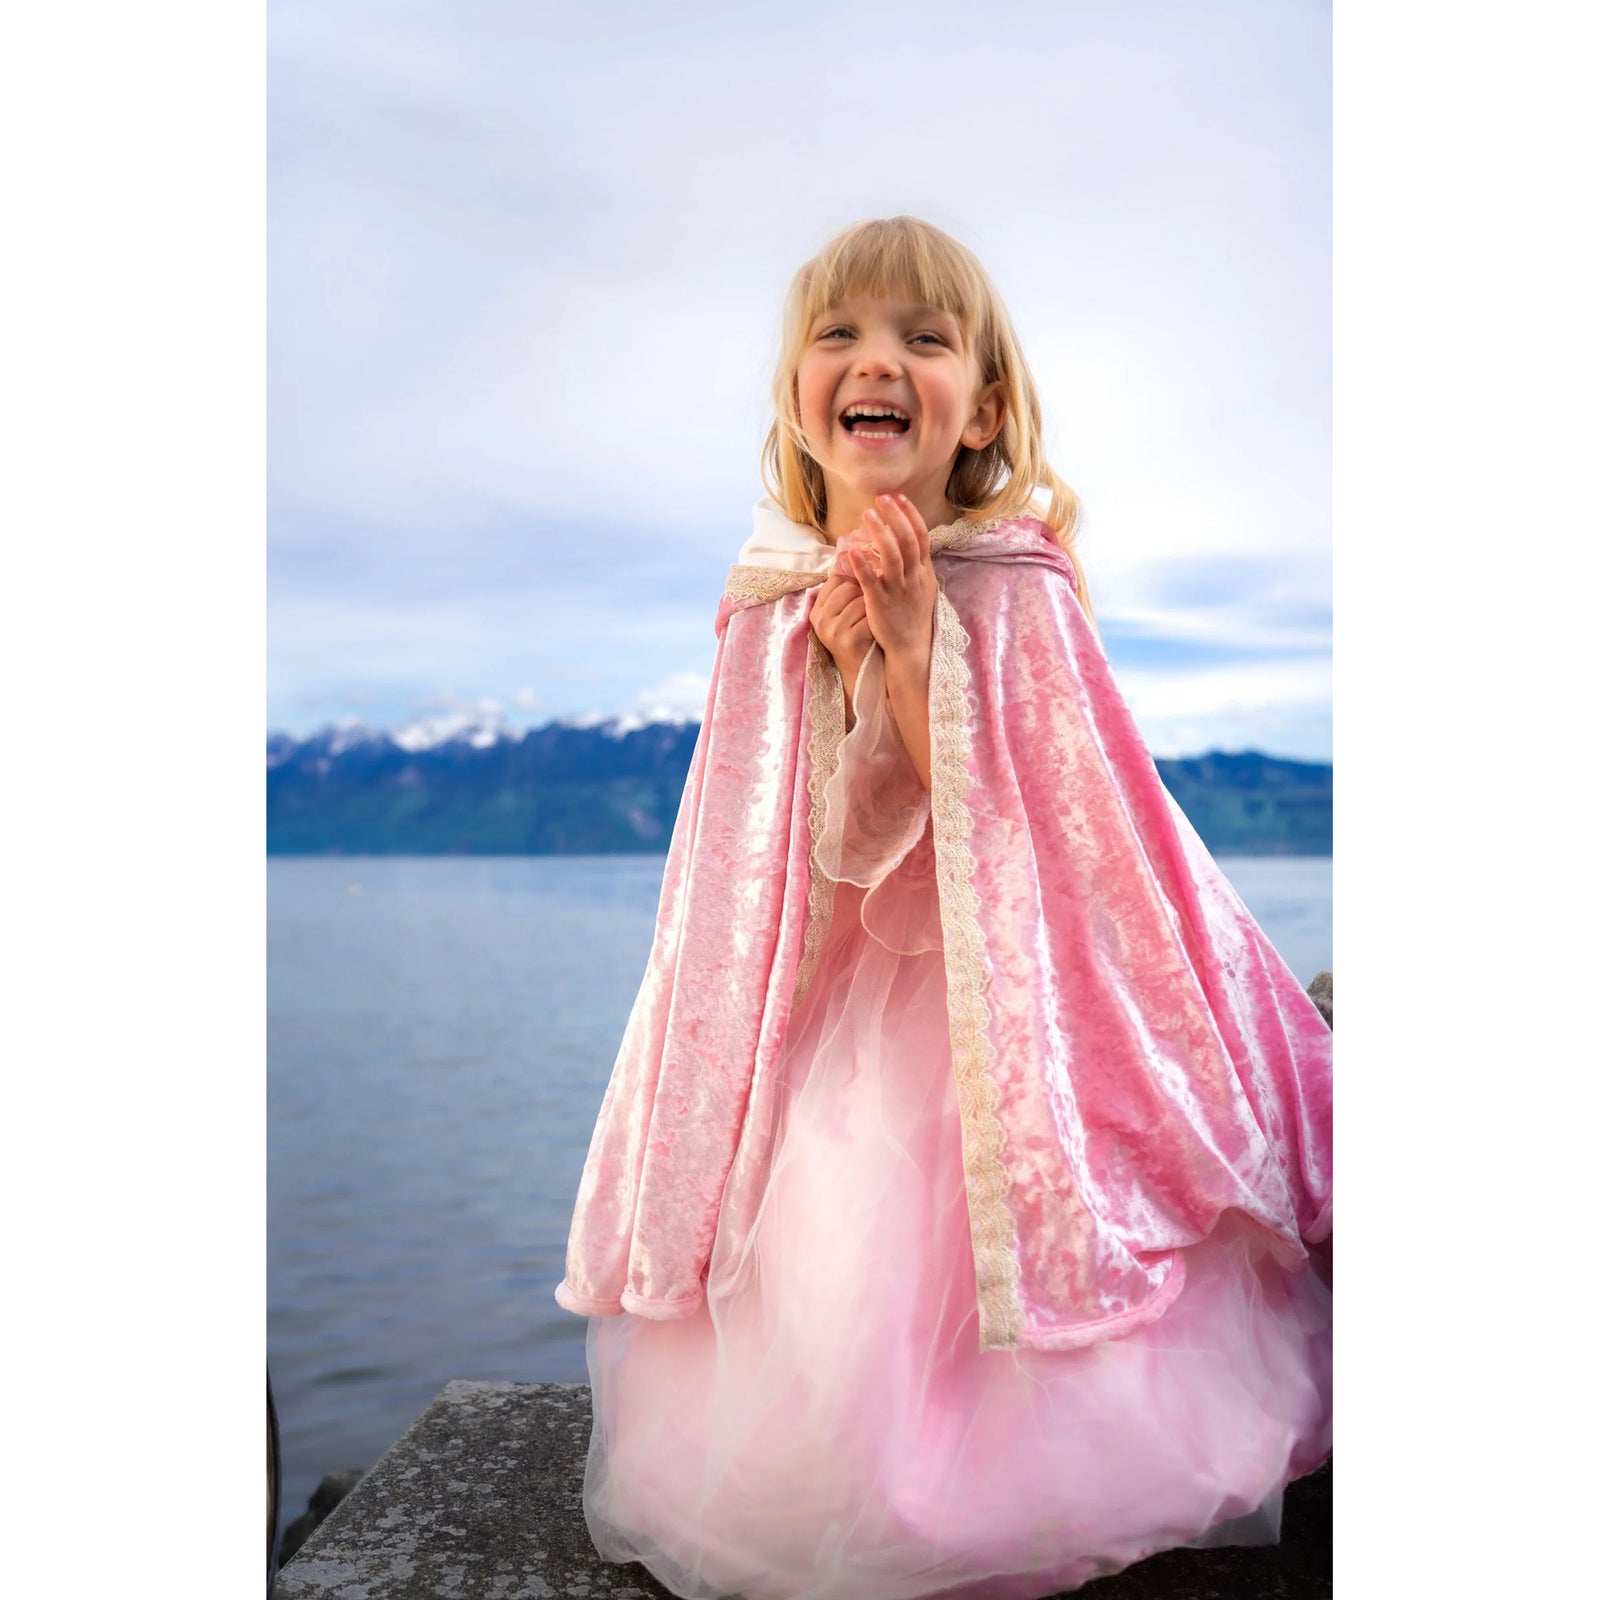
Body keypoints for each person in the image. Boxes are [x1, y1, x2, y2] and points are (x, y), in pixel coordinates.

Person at [552, 215, 1332, 1600]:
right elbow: (794, 865)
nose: (881, 362)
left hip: (1001, 1033)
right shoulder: (770, 602)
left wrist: (917, 654)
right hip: (843, 1018)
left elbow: (1046, 837)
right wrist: (853, 679)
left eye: (927, 337)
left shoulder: (1017, 581)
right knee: (828, 1279)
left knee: (980, 1269)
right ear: (800, 395)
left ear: (982, 408)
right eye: (842, 335)